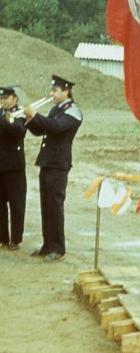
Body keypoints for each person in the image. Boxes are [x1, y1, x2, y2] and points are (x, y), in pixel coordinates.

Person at [24, 75, 83, 262]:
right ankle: (47, 245)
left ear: (66, 91)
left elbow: (55, 127)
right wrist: (30, 119)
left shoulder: (73, 111)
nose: (52, 94)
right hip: (48, 162)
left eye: (55, 91)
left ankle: (58, 247)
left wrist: (36, 115)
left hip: (59, 164)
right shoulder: (55, 109)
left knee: (55, 206)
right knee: (46, 205)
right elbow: (41, 130)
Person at [0, 86, 27, 250]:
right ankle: (2, 238)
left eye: (7, 97)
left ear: (15, 99)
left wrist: (3, 118)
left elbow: (18, 130)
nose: (3, 100)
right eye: (2, 97)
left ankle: (16, 239)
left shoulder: (20, 113)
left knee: (16, 204)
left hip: (14, 166)